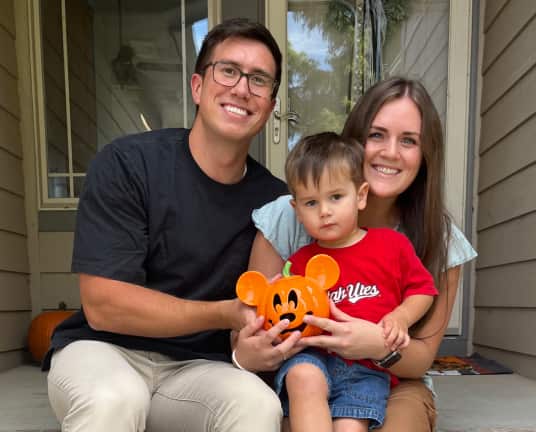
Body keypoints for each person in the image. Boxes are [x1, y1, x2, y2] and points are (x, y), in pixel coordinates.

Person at [44, 18, 298, 432]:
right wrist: (225, 313)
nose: (241, 88)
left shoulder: (275, 205)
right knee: (115, 400)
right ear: (198, 86)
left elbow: (266, 308)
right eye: (228, 70)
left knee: (257, 405)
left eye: (259, 80)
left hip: (199, 370)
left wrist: (252, 343)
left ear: (270, 107)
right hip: (103, 351)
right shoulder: (128, 164)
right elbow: (104, 305)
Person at [245, 77, 477, 431]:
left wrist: (376, 344)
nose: (391, 152)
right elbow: (252, 325)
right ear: (354, 141)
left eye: (409, 141)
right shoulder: (290, 217)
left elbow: (419, 360)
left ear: (426, 154)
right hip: (306, 369)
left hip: (390, 378)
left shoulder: (440, 239)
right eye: (377, 134)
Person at [275, 132, 438, 432]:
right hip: (315, 357)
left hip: (367, 367)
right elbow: (285, 313)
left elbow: (424, 290)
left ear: (360, 195)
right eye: (311, 202)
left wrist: (401, 316)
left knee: (350, 425)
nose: (324, 211)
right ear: (297, 211)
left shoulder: (391, 246)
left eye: (336, 197)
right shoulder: (299, 262)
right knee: (302, 378)